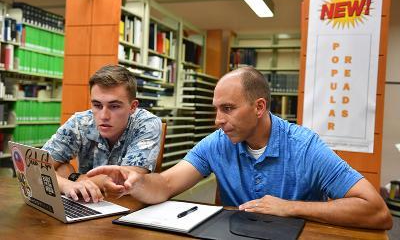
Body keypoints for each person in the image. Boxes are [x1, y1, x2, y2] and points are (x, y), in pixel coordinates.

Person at [87, 66, 392, 229]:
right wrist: (136, 180)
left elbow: (377, 211)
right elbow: (166, 184)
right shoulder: (218, 143)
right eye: (216, 109)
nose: (218, 120)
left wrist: (291, 208)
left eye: (229, 109)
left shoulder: (305, 147)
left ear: (259, 107)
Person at [43, 65, 161, 203]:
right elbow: (36, 167)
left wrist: (73, 176)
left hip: (129, 209)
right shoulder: (80, 122)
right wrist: (66, 185)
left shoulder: (147, 124)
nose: (104, 116)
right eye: (97, 105)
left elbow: (125, 181)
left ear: (133, 107)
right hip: (87, 203)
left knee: (62, 168)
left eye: (114, 106)